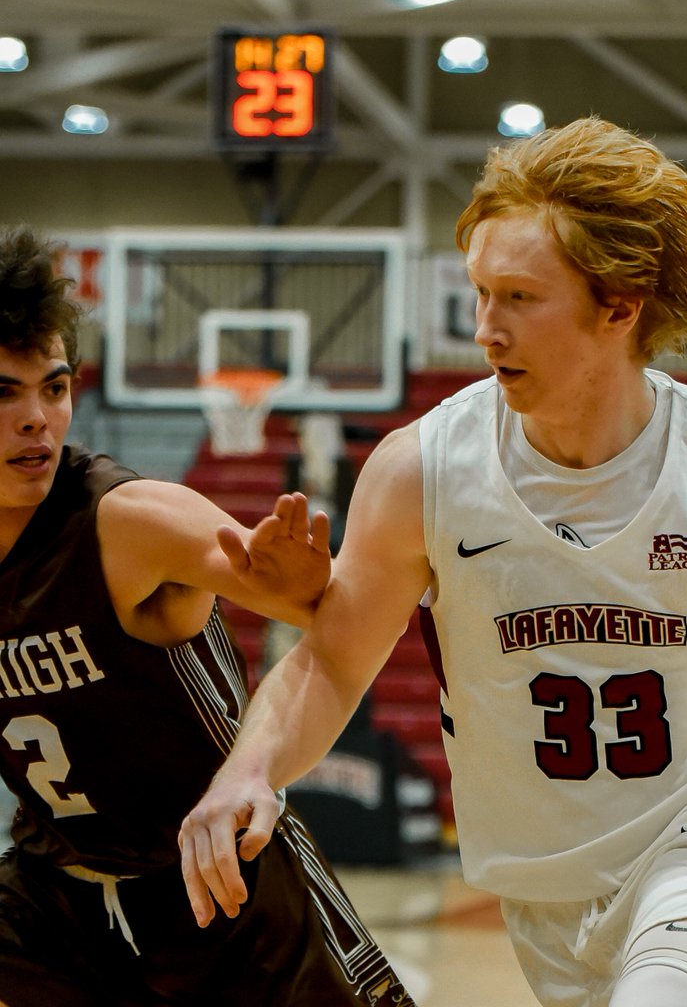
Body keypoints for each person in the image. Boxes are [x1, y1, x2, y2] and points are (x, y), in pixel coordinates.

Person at [180, 117, 687, 1007]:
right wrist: (249, 768)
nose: (484, 329)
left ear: (618, 304)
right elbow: (333, 660)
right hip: (542, 886)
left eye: (519, 299)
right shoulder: (424, 470)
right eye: (479, 294)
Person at [0, 225, 414, 1007]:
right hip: (53, 896)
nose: (37, 419)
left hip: (215, 878)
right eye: (5, 394)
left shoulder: (129, 521)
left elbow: (301, 601)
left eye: (53, 388)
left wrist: (292, 582)